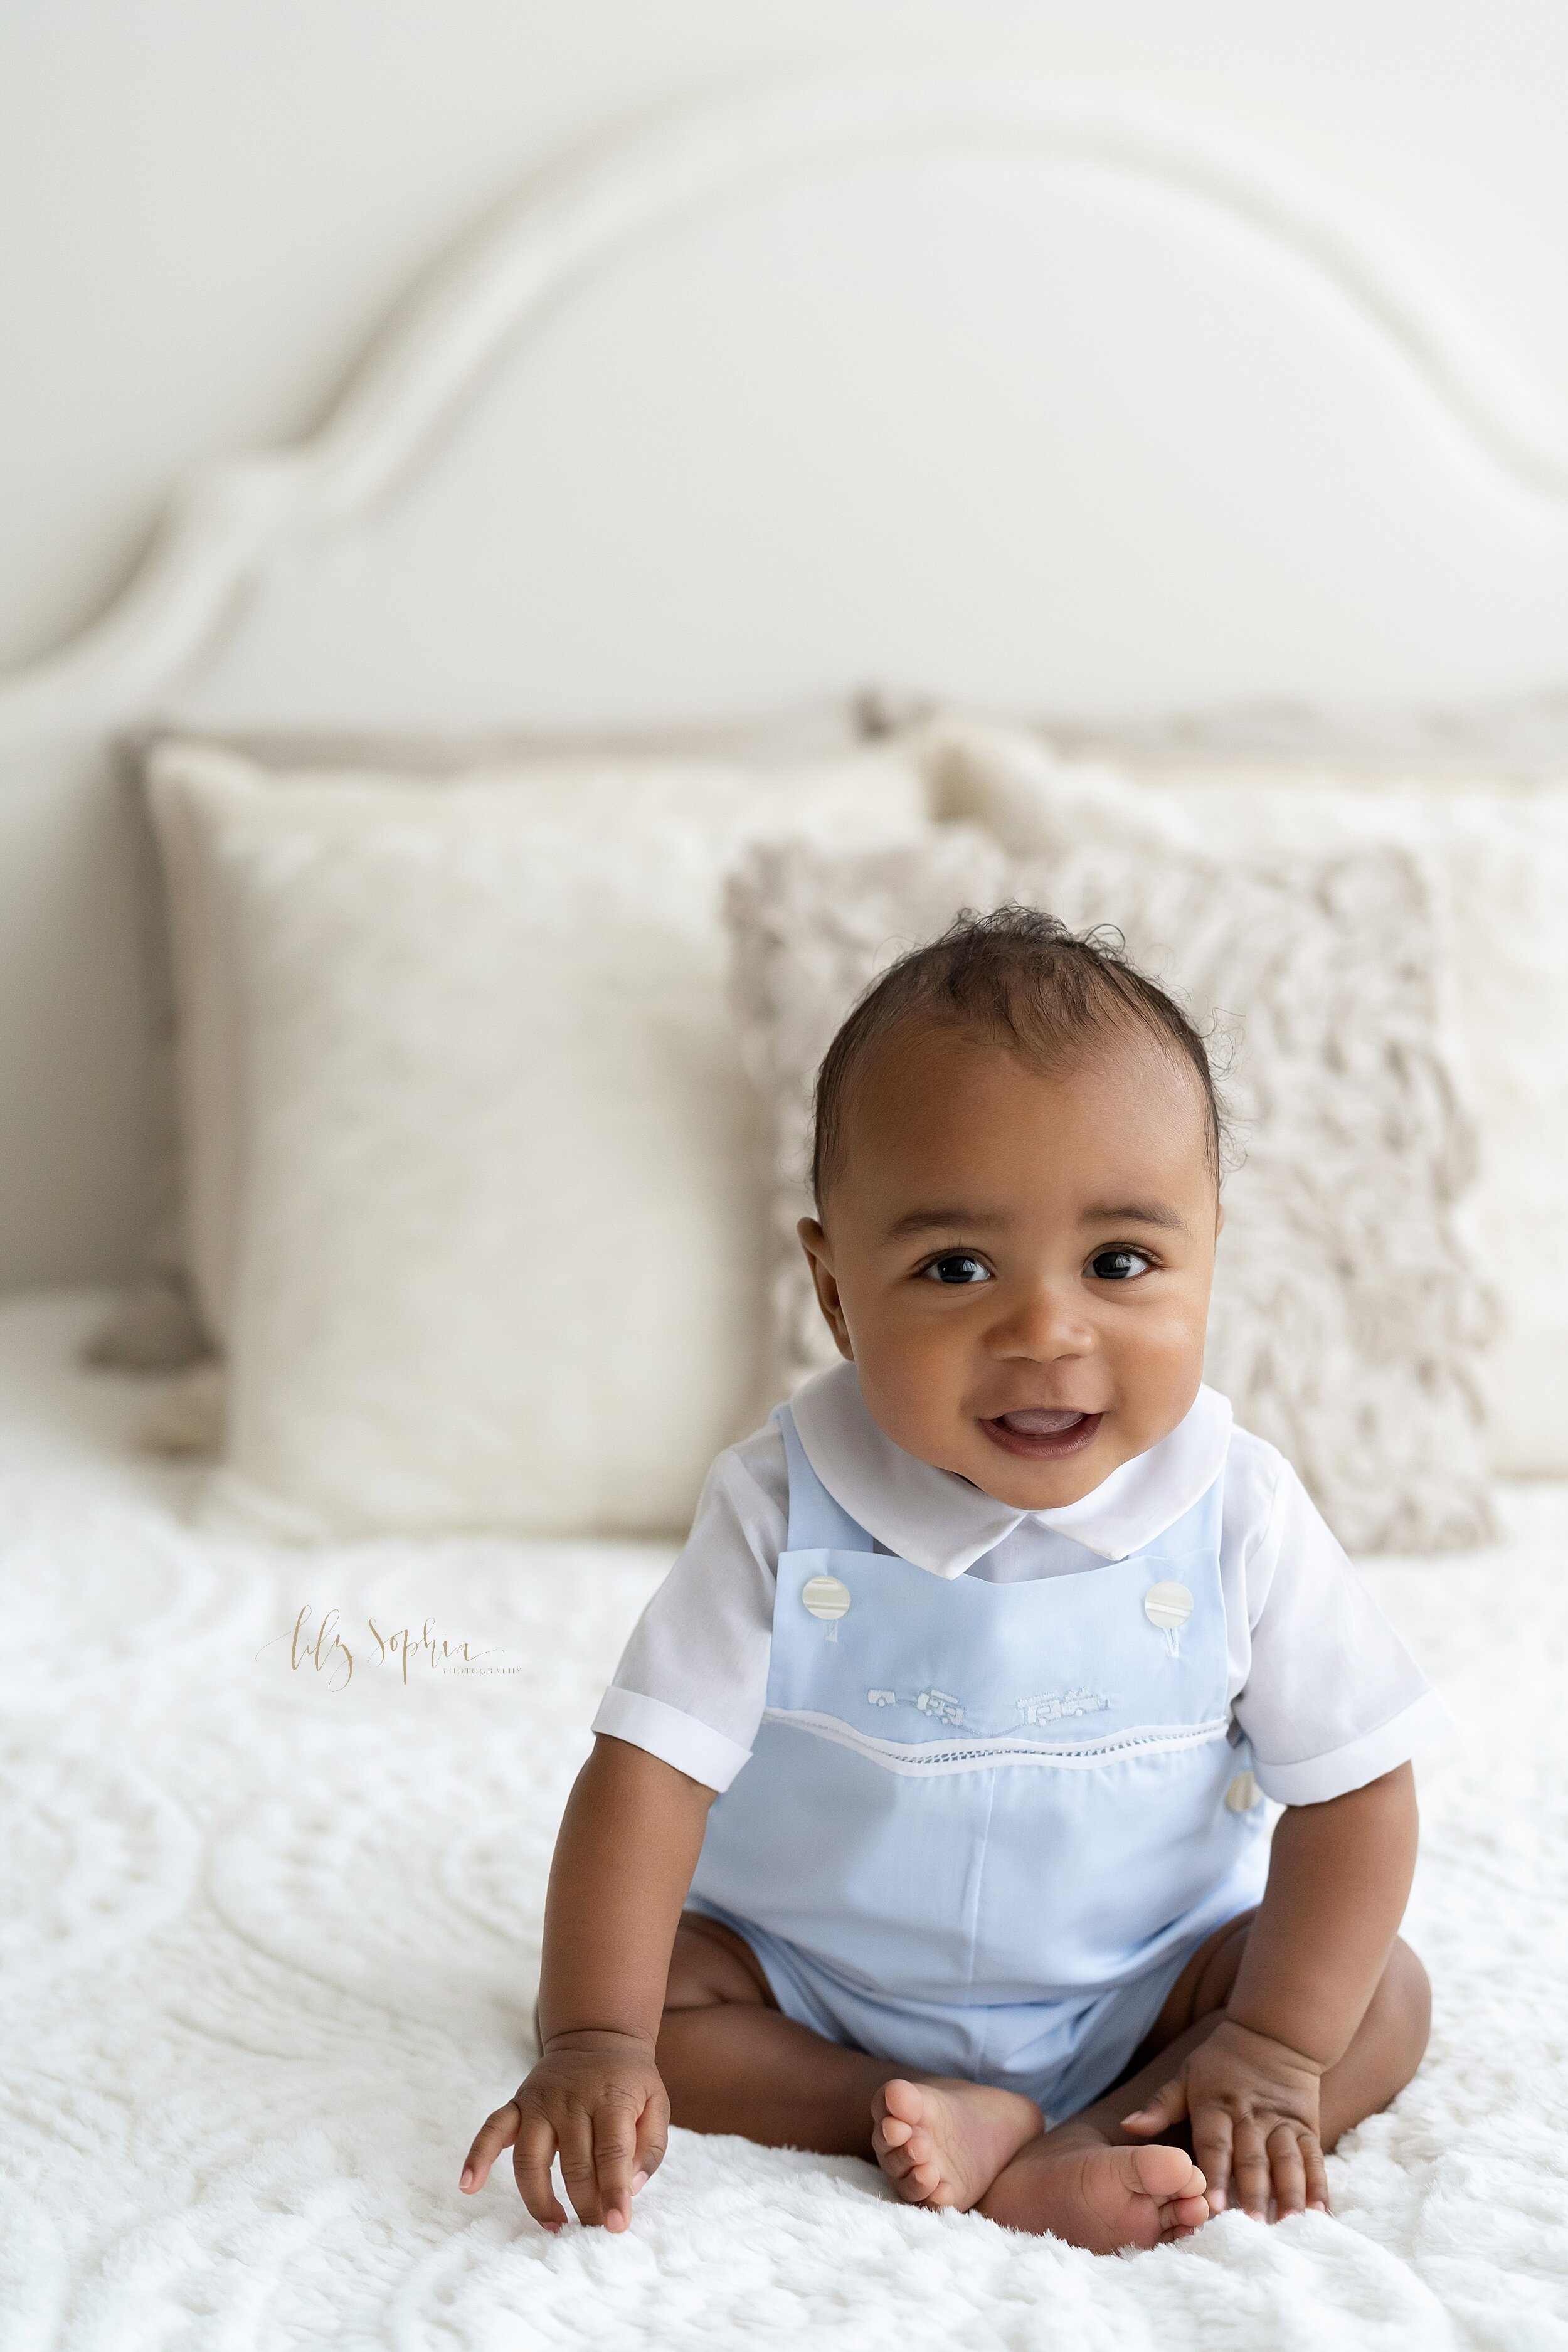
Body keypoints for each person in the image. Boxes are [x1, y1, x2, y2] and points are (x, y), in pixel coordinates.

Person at [461, 907, 1439, 2252]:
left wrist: (1267, 2046)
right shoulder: (779, 1503)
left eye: (1118, 1262)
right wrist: (588, 2038)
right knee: (648, 2004)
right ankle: (902, 2105)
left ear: (1209, 1250)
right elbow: (646, 1776)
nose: (1044, 1330)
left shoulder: (1238, 1511)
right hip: (818, 1983)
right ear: (834, 1288)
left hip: (1147, 1981)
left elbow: (1355, 1793)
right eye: (955, 1266)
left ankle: (1095, 2140)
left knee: (1373, 1996)